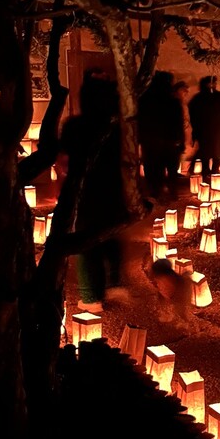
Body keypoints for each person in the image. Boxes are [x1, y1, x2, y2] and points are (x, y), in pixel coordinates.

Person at [60, 68, 127, 313]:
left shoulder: (75, 126)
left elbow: (64, 160)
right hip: (111, 188)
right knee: (110, 232)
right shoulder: (115, 128)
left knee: (86, 242)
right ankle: (114, 281)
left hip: (84, 191)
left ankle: (91, 297)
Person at [138, 71, 185, 200]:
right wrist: (180, 141)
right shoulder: (172, 101)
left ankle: (156, 192)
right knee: (170, 168)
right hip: (169, 141)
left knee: (154, 168)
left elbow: (141, 121)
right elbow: (178, 122)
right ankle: (171, 192)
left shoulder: (145, 100)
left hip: (152, 141)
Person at [188, 75, 220, 179]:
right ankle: (206, 173)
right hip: (204, 130)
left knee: (217, 153)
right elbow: (194, 115)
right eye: (211, 83)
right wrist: (196, 129)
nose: (213, 85)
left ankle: (214, 172)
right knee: (205, 154)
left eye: (214, 83)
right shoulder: (198, 99)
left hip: (218, 131)